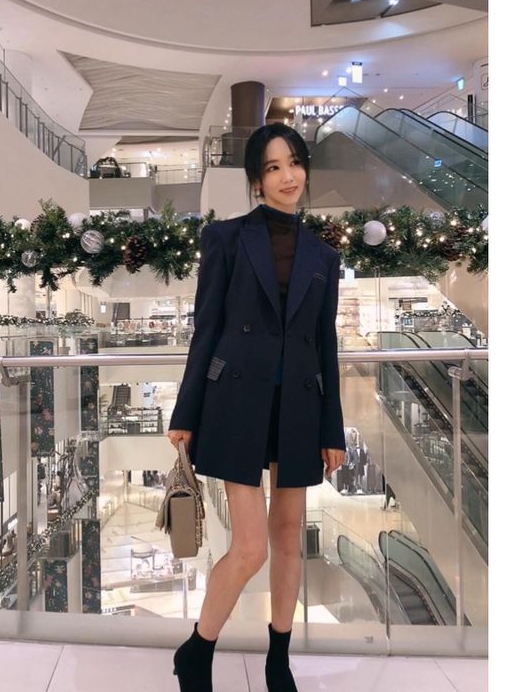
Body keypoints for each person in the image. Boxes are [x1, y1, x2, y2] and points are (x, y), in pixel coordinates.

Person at [167, 123, 346, 692]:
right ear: (256, 180)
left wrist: (333, 429)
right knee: (249, 548)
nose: (287, 176)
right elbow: (207, 328)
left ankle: (278, 659)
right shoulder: (225, 238)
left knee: (289, 539)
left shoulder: (324, 255)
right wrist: (185, 413)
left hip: (299, 408)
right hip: (237, 403)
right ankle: (198, 649)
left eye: (294, 163)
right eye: (273, 167)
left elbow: (325, 344)